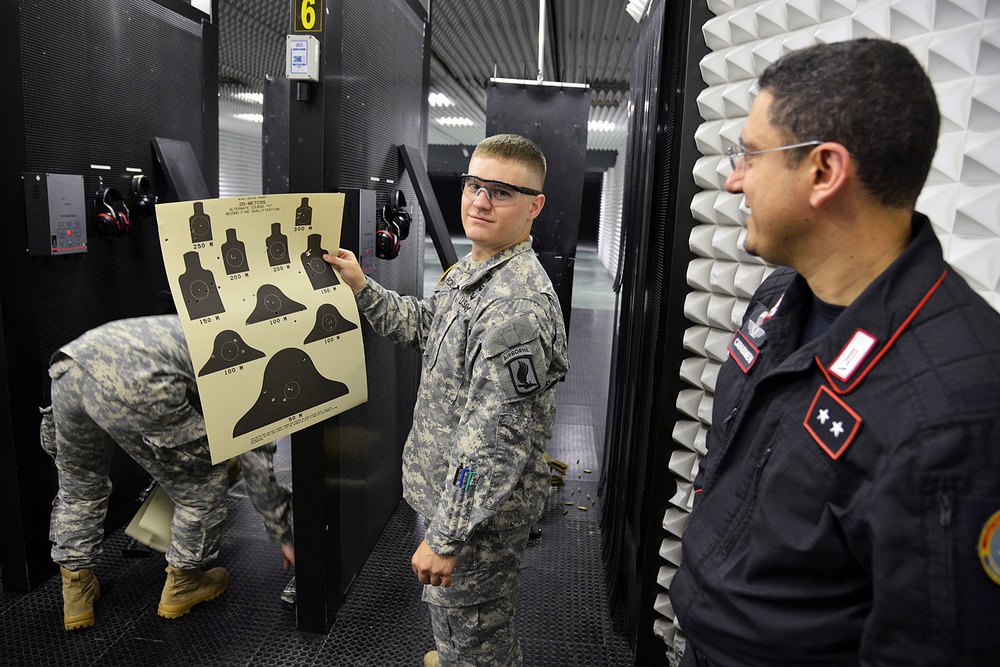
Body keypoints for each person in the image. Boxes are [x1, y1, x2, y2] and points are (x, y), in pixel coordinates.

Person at [669, 38, 1000, 665]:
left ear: (824, 172)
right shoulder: (778, 300)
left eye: (751, 154)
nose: (734, 179)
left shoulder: (958, 407)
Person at [325, 133, 569, 666]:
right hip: (454, 501)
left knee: (478, 637)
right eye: (475, 185)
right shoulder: (472, 271)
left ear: (535, 205)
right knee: (459, 623)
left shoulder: (514, 307)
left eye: (502, 192)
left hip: (477, 519)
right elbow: (425, 325)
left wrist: (448, 534)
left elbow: (494, 442)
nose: (480, 201)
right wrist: (363, 287)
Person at [39, 315, 294, 631]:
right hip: (137, 381)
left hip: (70, 366)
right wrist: (284, 532)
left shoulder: (212, 323)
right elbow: (255, 455)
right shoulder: (252, 361)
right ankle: (184, 584)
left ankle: (77, 591)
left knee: (80, 482)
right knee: (202, 479)